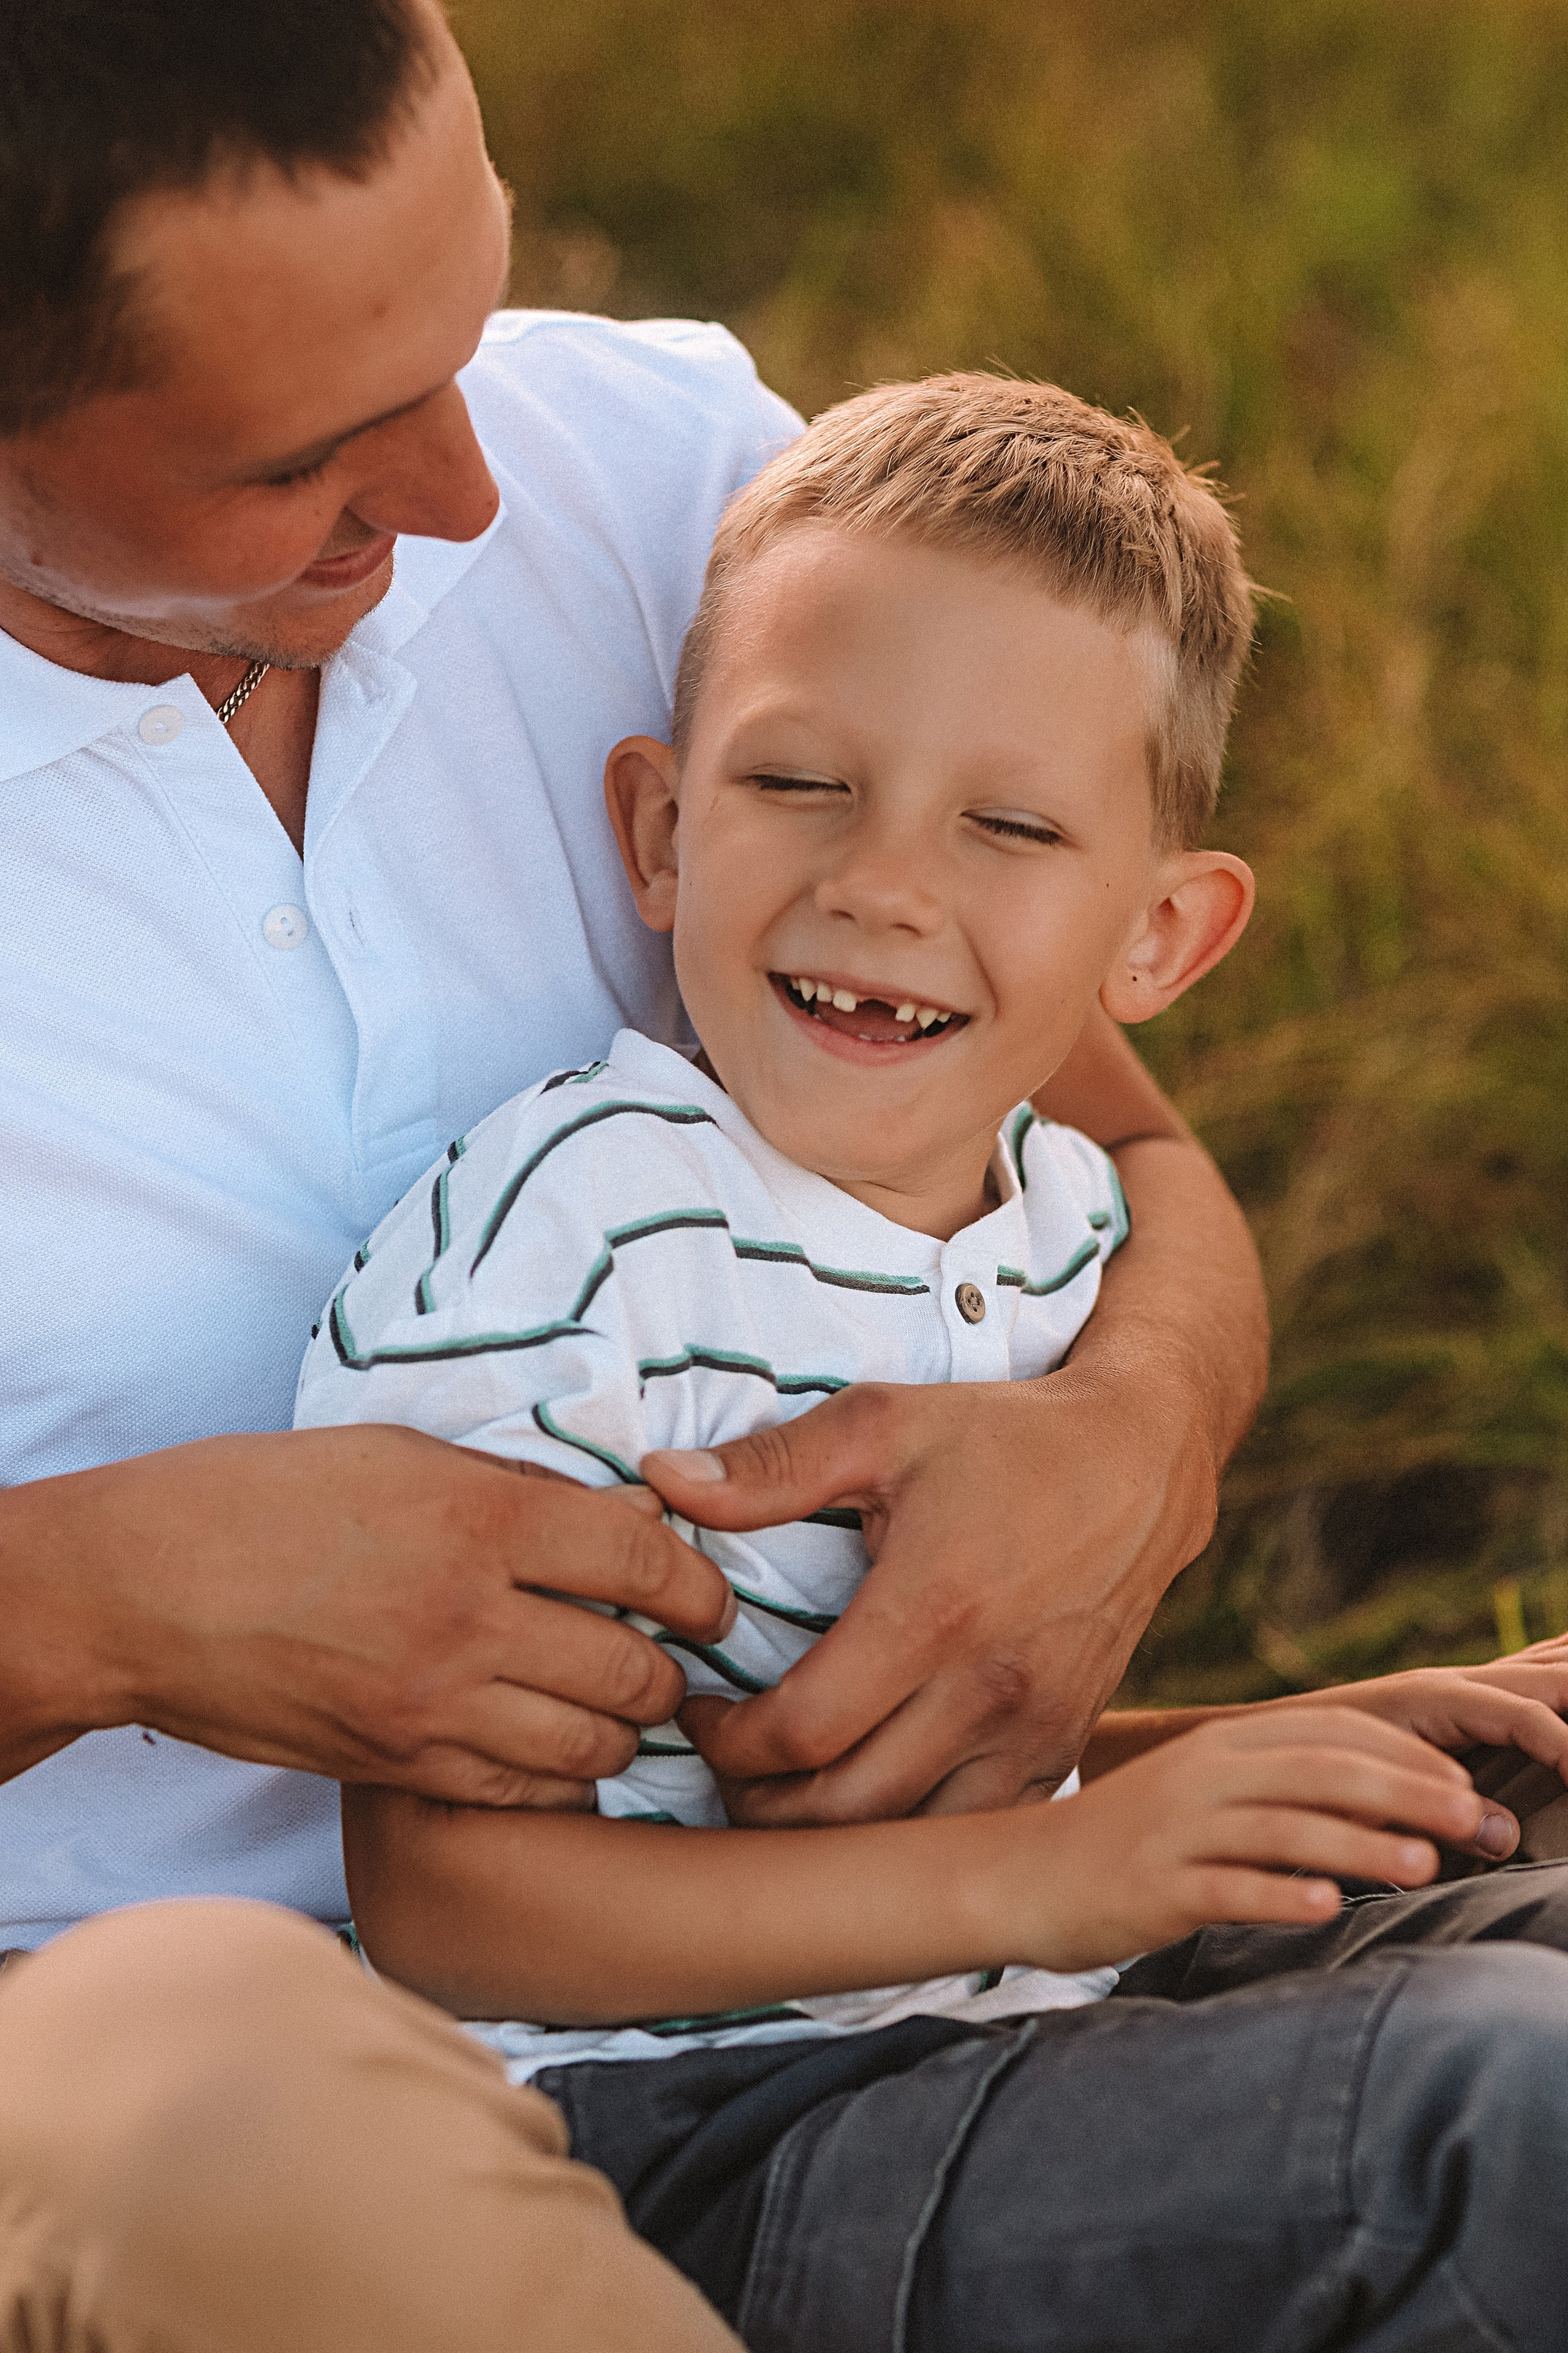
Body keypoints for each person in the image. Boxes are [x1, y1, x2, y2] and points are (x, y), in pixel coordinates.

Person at [0, 2, 1271, 2344]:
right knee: (207, 2100)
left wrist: (1138, 1436)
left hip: (838, 1926)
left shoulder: (666, 469)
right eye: (314, 456)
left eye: (467, 318)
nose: (479, 492)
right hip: (120, 2031)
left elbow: (1109, 1133)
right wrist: (85, 1604)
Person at [292, 374, 1568, 2352]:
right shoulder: (560, 1233)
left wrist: (1309, 1745)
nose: (886, 883)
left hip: (1023, 2004)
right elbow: (451, 1904)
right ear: (658, 824)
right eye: (800, 782)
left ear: (1157, 940)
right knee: (1510, 2107)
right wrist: (1060, 1867)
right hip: (679, 2124)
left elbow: (997, 1790)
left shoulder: (1062, 1223)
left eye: (1009, 824)